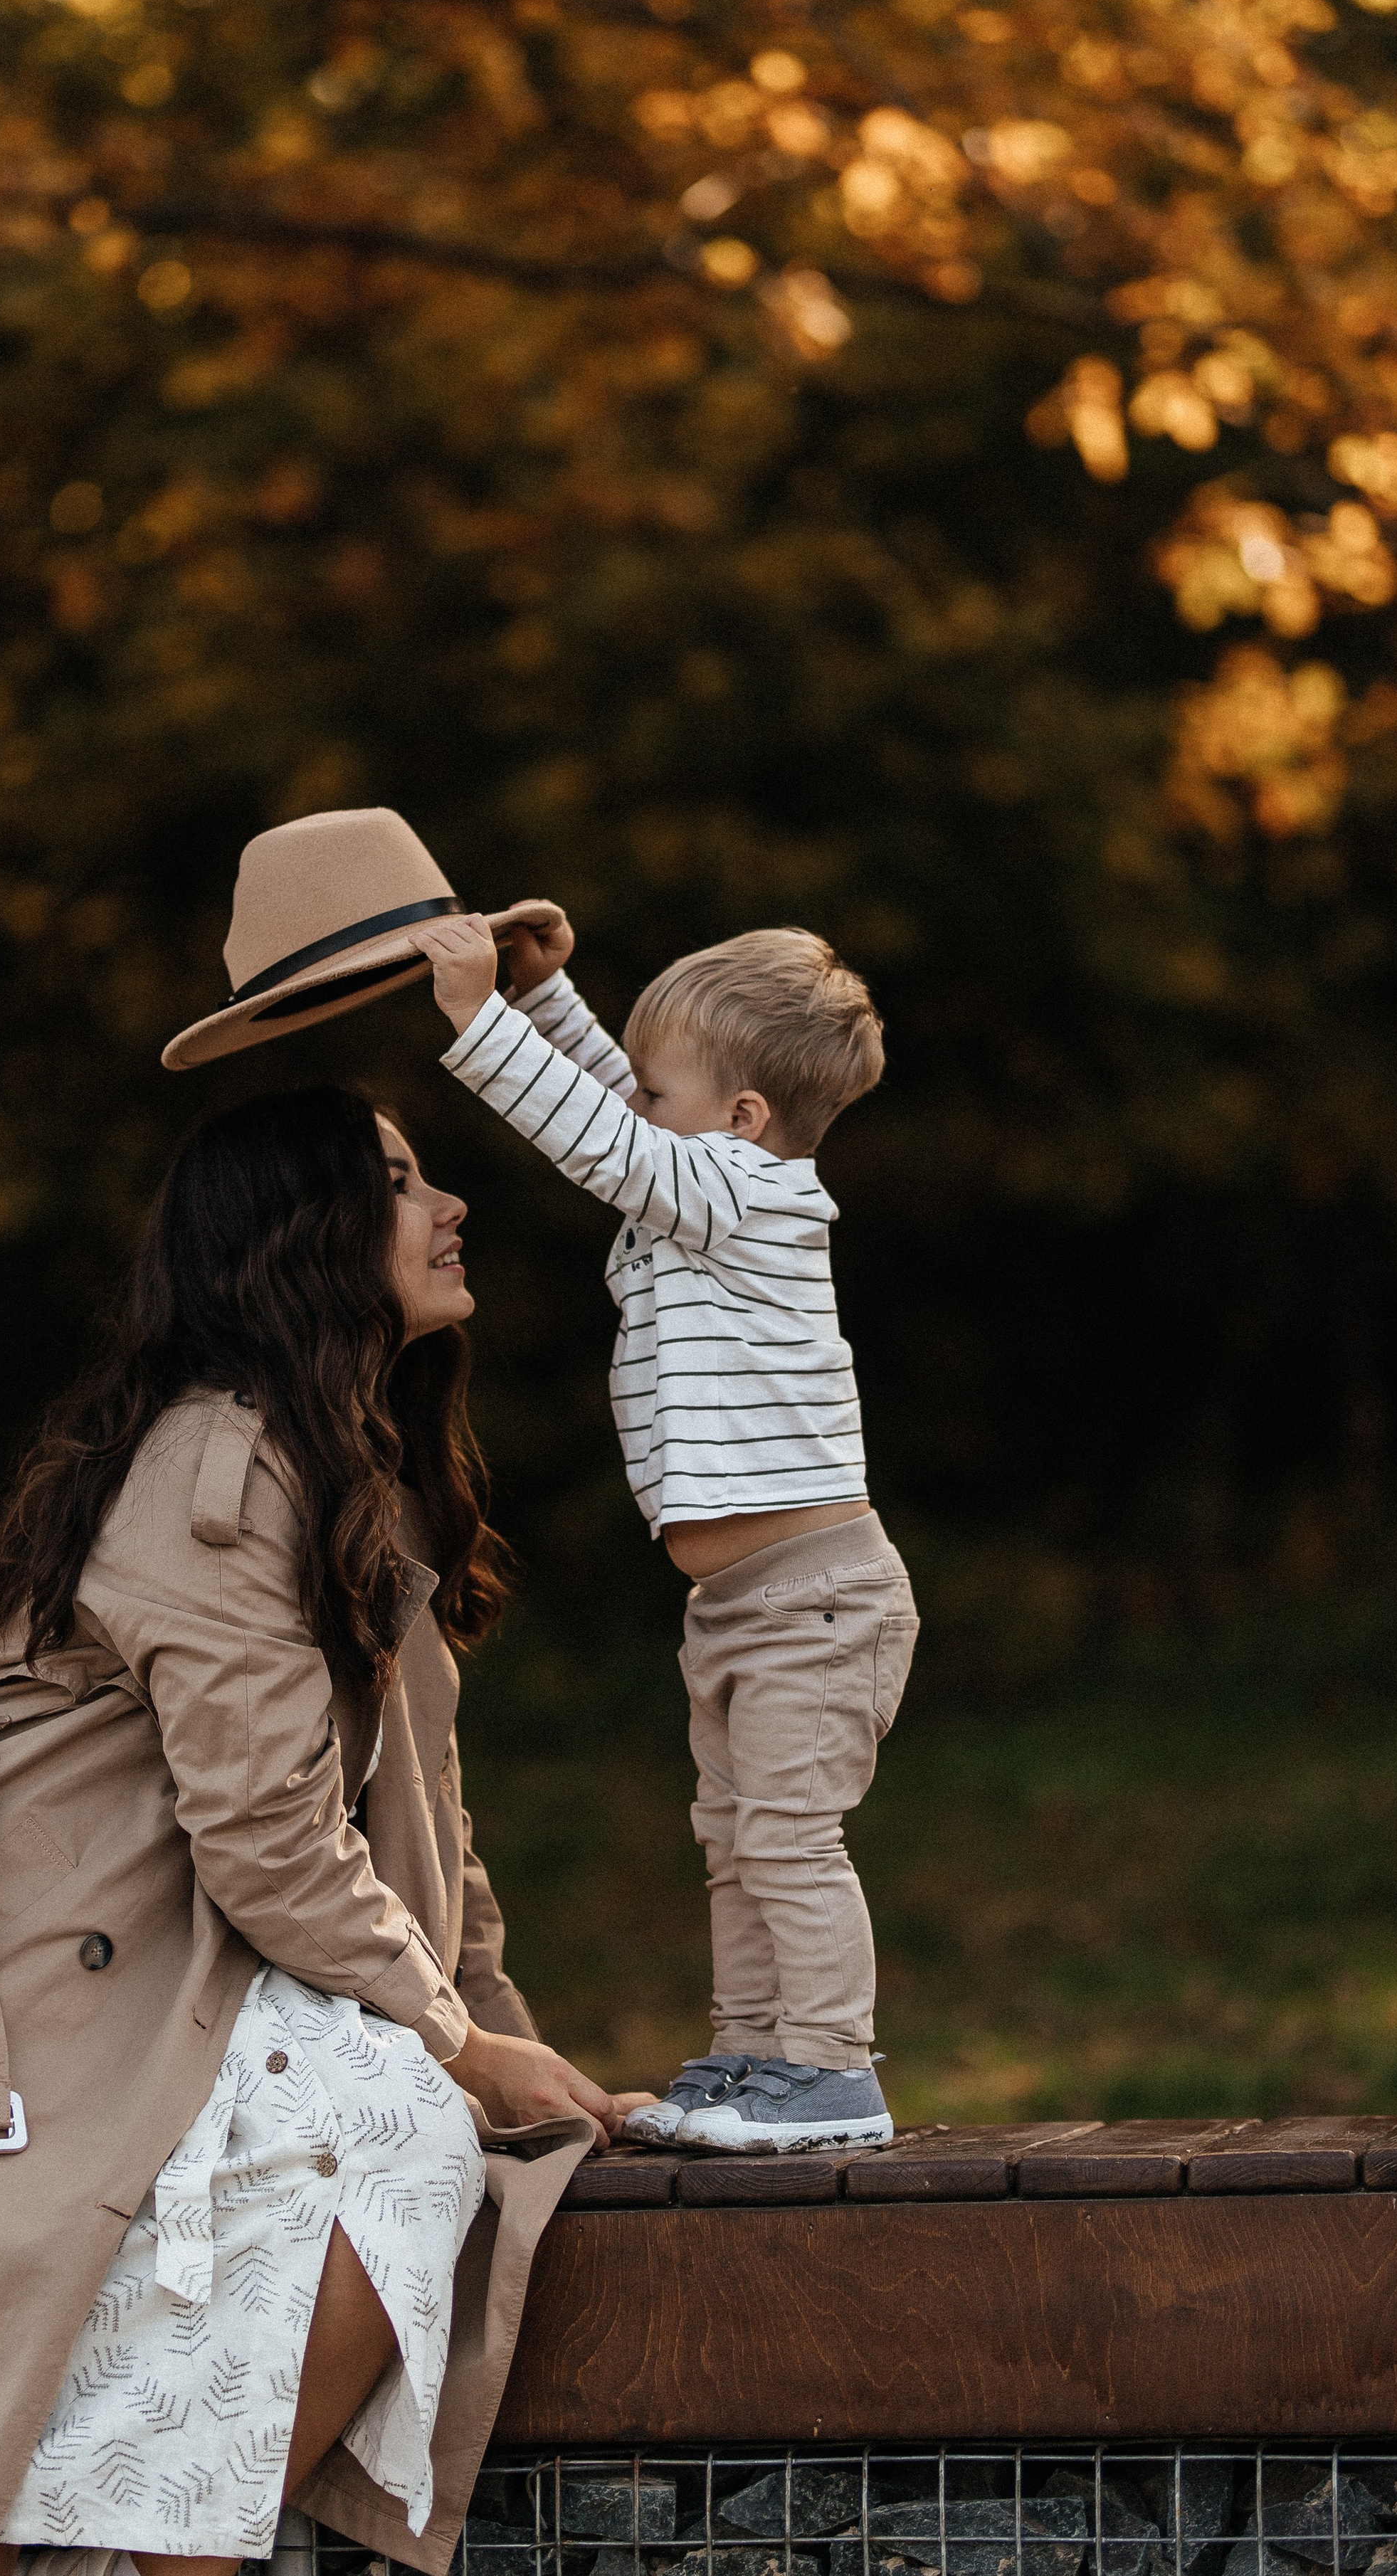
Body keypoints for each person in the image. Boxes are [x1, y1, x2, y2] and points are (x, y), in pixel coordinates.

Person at [0, 1084, 645, 2576]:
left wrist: (511, 2042)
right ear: (300, 1237)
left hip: (131, 1970)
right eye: (396, 1180)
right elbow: (267, 1842)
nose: (448, 1205)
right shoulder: (216, 1474)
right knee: (397, 2117)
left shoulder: (340, 1481)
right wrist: (461, 2048)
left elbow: (415, 1821)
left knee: (400, 2124)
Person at [416, 907, 919, 2155]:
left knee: (791, 1835)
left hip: (816, 1595)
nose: (638, 1105)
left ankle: (834, 2069)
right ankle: (759, 2056)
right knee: (737, 1839)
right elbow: (617, 1104)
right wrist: (545, 995)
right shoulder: (702, 1175)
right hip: (743, 1603)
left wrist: (479, 1016)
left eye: (662, 1089)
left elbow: (596, 1134)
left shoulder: (746, 1193)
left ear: (742, 1116)